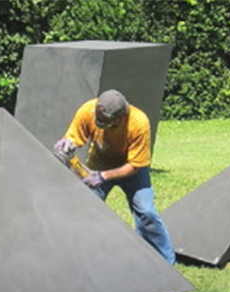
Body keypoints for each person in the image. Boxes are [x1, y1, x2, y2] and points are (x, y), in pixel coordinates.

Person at [54, 89, 175, 265]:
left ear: (119, 118)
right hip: (99, 163)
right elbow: (74, 137)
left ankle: (164, 264)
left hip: (132, 169)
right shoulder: (87, 110)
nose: (97, 122)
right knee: (85, 210)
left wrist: (103, 177)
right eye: (97, 118)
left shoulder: (139, 123)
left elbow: (135, 165)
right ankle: (81, 259)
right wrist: (67, 144)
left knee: (146, 212)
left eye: (104, 122)